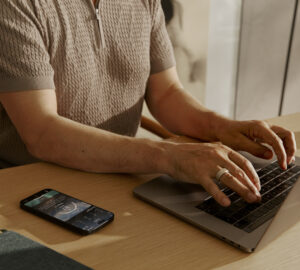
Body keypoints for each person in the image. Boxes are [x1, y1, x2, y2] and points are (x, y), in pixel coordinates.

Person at [0, 0, 296, 208]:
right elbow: (41, 133)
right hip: (32, 190)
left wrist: (224, 127)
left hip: (119, 175)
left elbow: (165, 93)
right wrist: (169, 156)